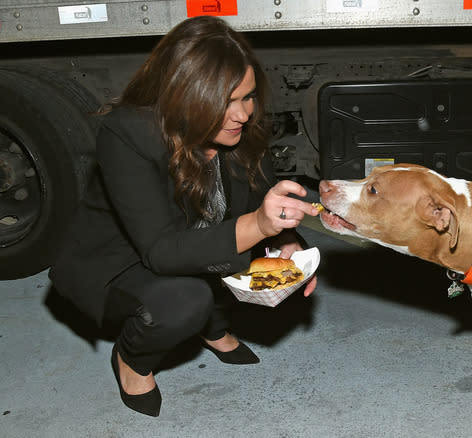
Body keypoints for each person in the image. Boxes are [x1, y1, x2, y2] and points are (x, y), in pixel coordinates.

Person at [48, 15, 320, 417]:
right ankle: (132, 360)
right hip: (123, 259)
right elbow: (160, 250)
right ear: (184, 96)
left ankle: (213, 327)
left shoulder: (240, 131)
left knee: (245, 263)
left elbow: (260, 195)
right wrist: (258, 226)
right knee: (183, 301)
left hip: (192, 244)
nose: (243, 114)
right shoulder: (129, 134)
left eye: (247, 97)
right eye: (225, 101)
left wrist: (287, 240)